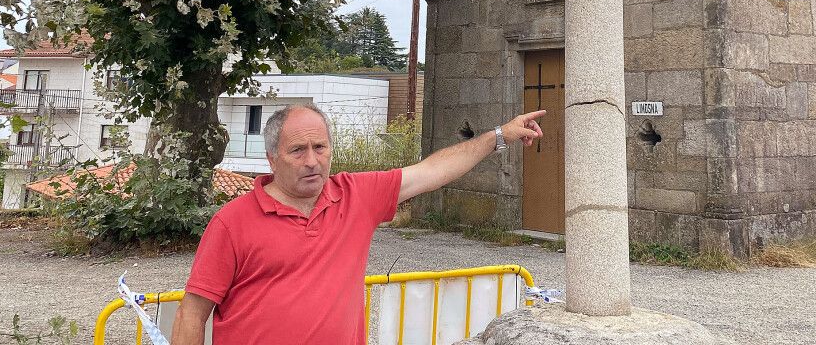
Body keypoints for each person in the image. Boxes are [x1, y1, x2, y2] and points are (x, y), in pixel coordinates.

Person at [171, 103, 546, 345]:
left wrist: (500, 136)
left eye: (320, 148)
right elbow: (192, 312)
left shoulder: (355, 196)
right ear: (271, 158)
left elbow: (432, 170)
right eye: (297, 150)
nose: (312, 161)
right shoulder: (232, 222)